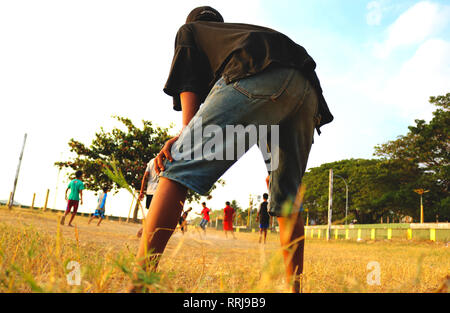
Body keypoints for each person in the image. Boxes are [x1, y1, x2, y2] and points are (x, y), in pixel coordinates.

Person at [132, 6, 333, 293]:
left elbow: (189, 81)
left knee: (178, 167)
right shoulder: (237, 36)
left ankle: (137, 286)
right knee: (287, 200)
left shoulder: (191, 31)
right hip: (307, 93)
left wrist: (184, 136)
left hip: (257, 73)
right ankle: (295, 290)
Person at [137, 158, 159, 238]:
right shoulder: (168, 160)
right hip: (160, 191)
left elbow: (145, 177)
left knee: (151, 213)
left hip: (149, 191)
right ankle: (143, 230)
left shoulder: (151, 161)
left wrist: (142, 191)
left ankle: (145, 231)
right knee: (155, 214)